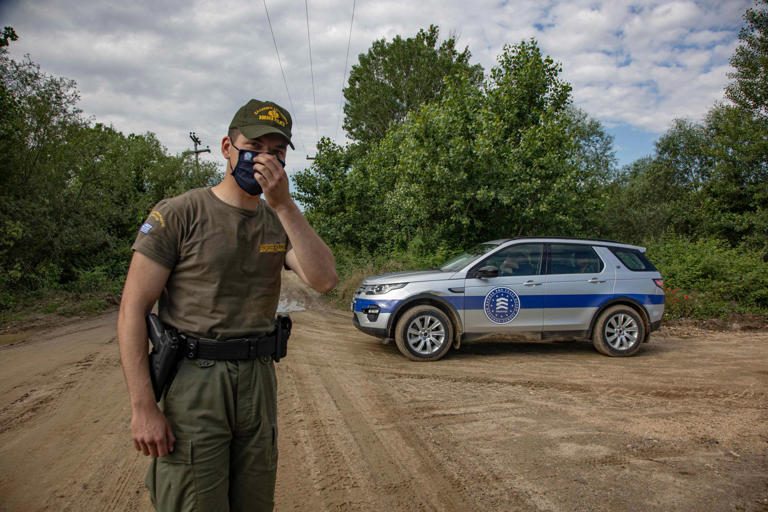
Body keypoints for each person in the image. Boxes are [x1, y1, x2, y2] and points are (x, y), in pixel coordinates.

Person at [117, 99, 337, 511]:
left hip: (257, 380)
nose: (265, 158)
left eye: (277, 151)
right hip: (196, 381)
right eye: (255, 145)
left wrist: (286, 204)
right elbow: (133, 308)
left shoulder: (278, 220)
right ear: (226, 147)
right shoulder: (179, 214)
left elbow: (323, 280)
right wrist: (143, 407)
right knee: (194, 498)